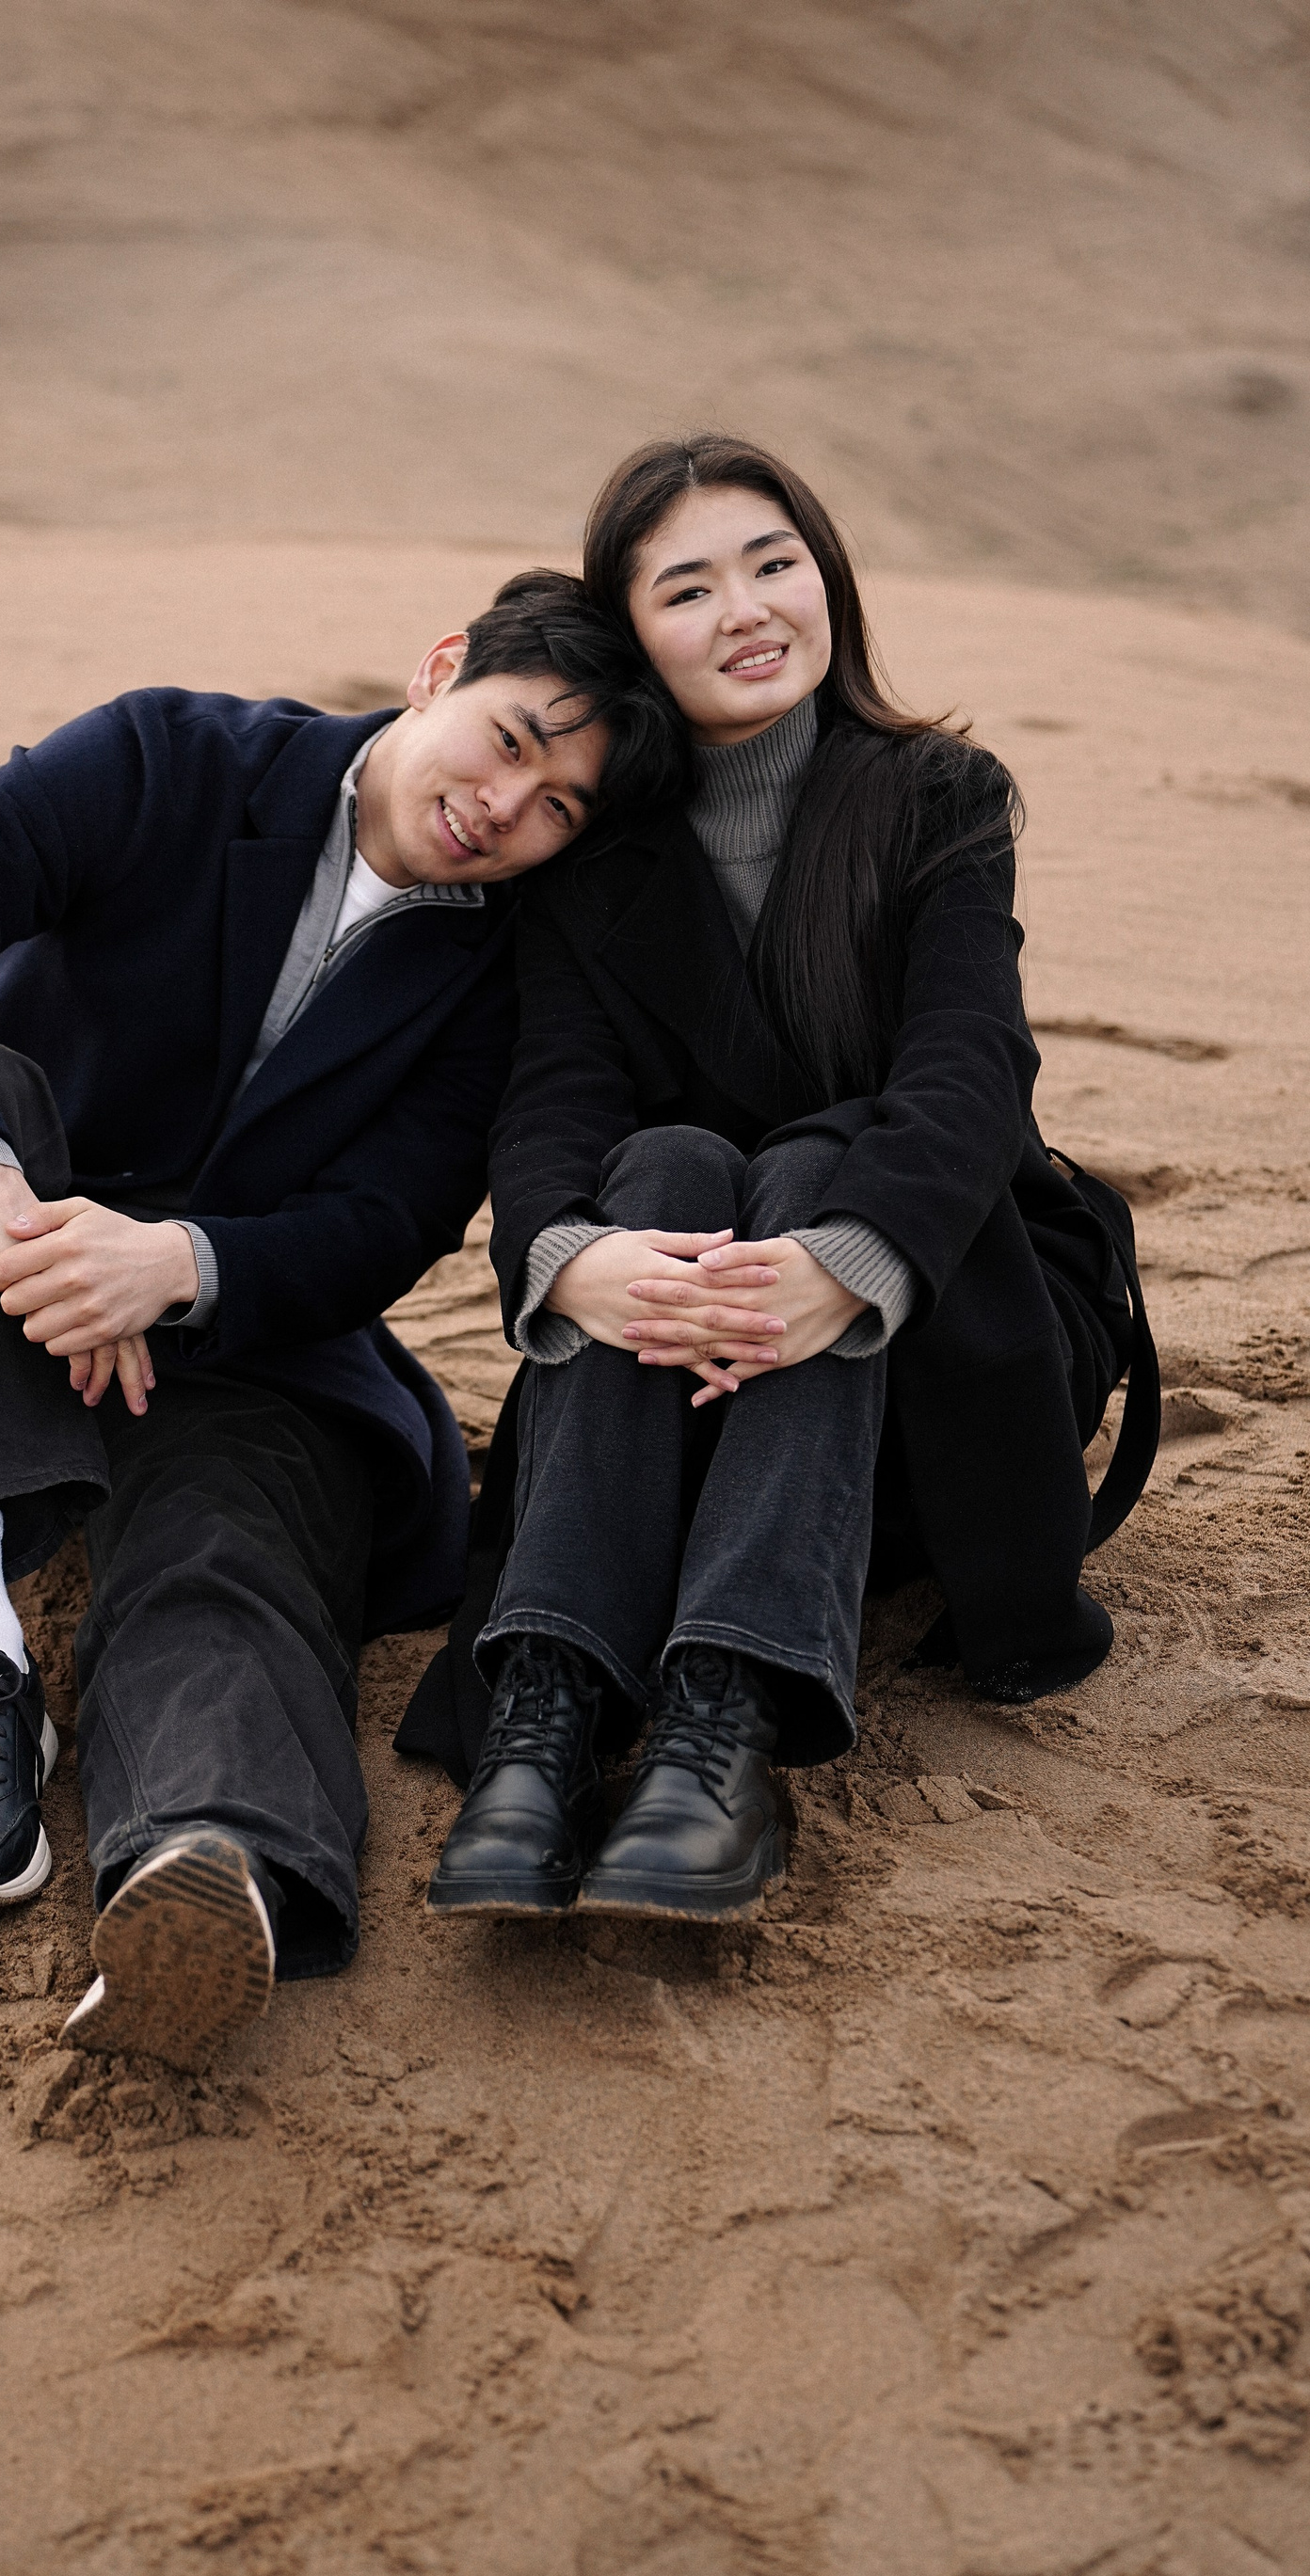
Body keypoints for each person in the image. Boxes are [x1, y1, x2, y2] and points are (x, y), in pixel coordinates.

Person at [0, 572, 685, 2061]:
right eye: (511, 739)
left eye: (559, 807)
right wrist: (6, 1213)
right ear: (442, 669)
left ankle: (207, 1870)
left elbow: (387, 1222)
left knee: (223, 1549)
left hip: (248, 1340)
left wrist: (176, 1266)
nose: (505, 806)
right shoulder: (173, 759)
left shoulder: (506, 966)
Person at [402, 437, 1156, 1924]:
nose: (746, 611)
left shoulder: (936, 794)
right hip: (674, 1363)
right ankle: (548, 1711)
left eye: (773, 564)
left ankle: (723, 1722)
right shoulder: (589, 848)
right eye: (688, 589)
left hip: (943, 1335)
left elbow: (971, 1073)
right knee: (669, 1162)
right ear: (633, 637)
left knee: (818, 1159)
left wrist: (846, 1263)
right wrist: (567, 1259)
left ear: (828, 579)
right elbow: (555, 1102)